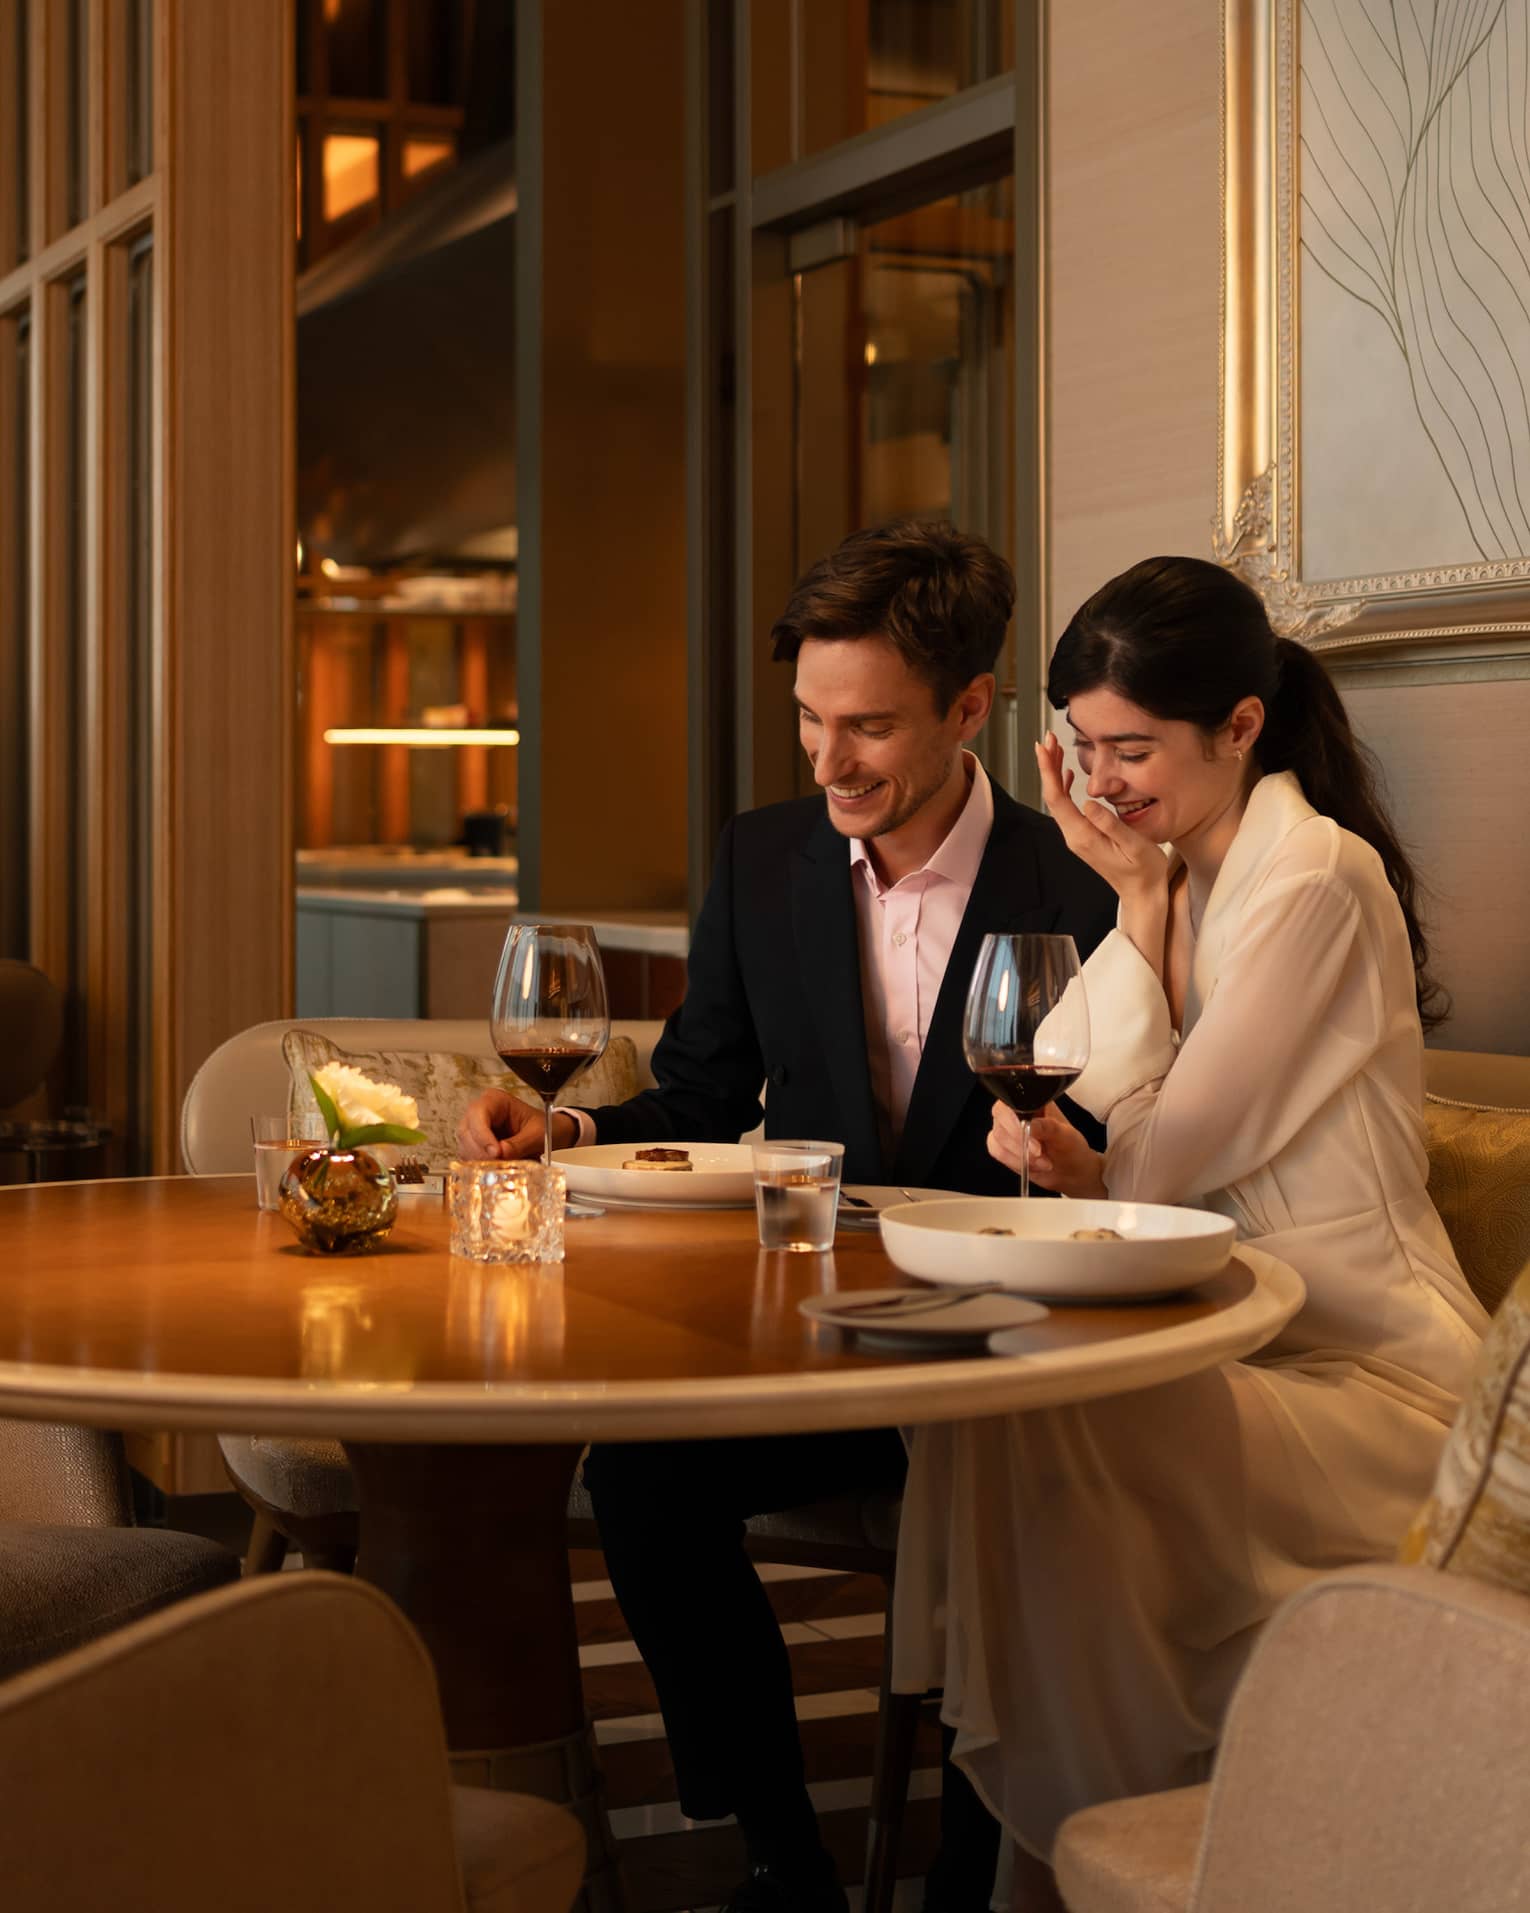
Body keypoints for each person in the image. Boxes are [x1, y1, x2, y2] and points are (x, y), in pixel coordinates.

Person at [458, 518, 1116, 1913]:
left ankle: (973, 1869)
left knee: (1017, 1513)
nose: (826, 763)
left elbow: (1132, 1133)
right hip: (830, 1341)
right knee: (640, 1480)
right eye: (809, 720)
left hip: (1011, 1345)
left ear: (969, 709)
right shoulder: (765, 861)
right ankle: (777, 1846)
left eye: (867, 726)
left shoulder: (1081, 881)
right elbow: (700, 1092)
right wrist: (564, 1129)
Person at [891, 554, 1490, 1901]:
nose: (1101, 785)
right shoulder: (1185, 877)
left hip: (1371, 1375)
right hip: (1232, 1338)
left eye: (1131, 749)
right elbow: (1082, 1106)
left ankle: (1093, 1845)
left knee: (1055, 1423)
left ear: (1239, 726)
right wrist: (1072, 1138)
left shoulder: (1311, 879)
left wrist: (1138, 926)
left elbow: (1160, 1162)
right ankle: (1069, 1849)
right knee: (1006, 1405)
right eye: (1081, 748)